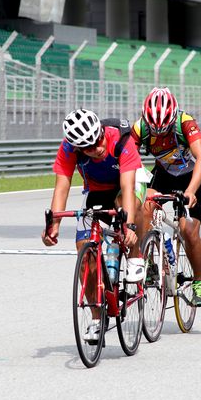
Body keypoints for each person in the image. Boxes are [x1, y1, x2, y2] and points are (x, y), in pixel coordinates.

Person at [42, 109, 147, 341]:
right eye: (88, 148)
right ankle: (97, 319)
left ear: (101, 131)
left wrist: (129, 226)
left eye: (98, 140)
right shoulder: (68, 148)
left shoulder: (121, 139)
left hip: (127, 183)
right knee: (84, 255)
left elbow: (128, 187)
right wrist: (54, 224)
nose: (97, 148)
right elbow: (62, 185)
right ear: (78, 148)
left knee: (124, 204)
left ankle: (135, 255)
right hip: (96, 191)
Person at [131, 87, 201, 307]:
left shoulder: (185, 122)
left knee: (189, 230)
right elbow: (129, 161)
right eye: (154, 130)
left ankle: (199, 280)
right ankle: (149, 261)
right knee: (144, 210)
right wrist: (142, 189)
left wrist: (191, 191)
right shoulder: (140, 128)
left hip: (190, 176)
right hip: (164, 173)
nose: (159, 134)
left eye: (164, 130)